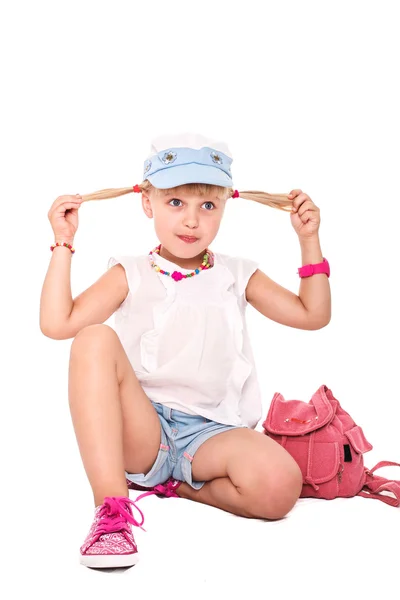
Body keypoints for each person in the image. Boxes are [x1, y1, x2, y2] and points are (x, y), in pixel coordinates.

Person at [40, 132, 331, 569]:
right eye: (176, 203)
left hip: (211, 434)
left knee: (280, 487)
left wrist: (309, 240)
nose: (192, 221)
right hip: (145, 430)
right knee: (93, 338)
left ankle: (181, 486)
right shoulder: (131, 272)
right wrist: (63, 243)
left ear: (224, 209)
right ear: (147, 203)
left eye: (207, 206)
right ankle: (111, 512)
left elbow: (312, 314)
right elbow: (57, 323)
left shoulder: (237, 273)